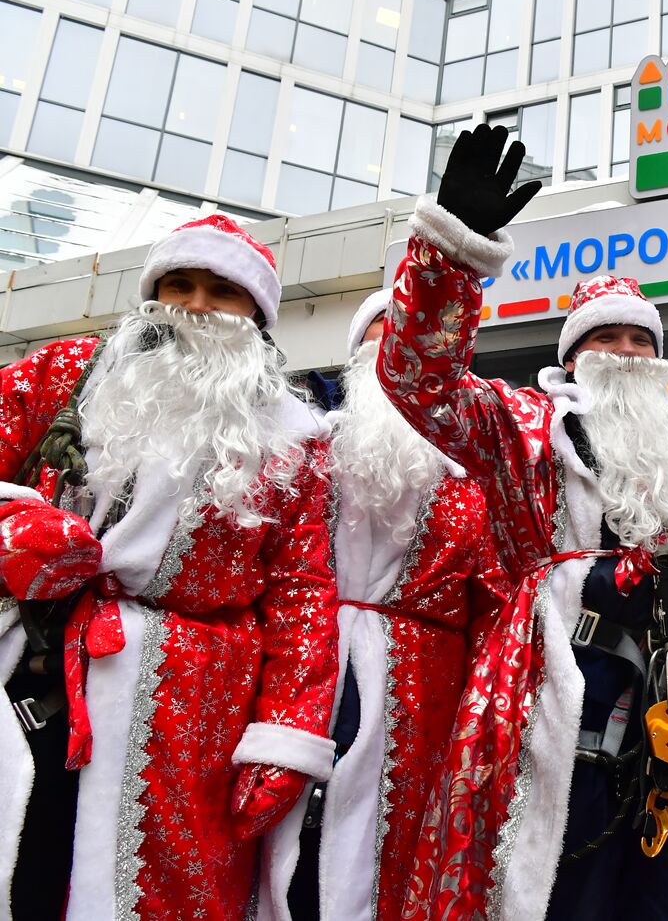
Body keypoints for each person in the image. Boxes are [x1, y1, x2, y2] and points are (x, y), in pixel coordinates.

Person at [375, 125, 668, 921]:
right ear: (572, 357)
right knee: (551, 883)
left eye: (642, 338)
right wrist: (453, 258)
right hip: (552, 688)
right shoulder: (522, 425)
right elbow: (418, 379)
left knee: (667, 884)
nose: (628, 351)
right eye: (606, 336)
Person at [0, 215, 339, 920]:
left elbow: (302, 593)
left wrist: (286, 733)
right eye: (178, 284)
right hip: (30, 676)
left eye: (222, 290)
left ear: (258, 314)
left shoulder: (293, 439)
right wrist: (12, 522)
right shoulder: (70, 372)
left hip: (191, 711)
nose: (195, 304)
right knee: (24, 863)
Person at [254, 289, 510, 920]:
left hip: (429, 688)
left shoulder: (474, 471)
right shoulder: (306, 450)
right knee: (294, 836)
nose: (399, 347)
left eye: (412, 335)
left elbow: (496, 601)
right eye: (382, 333)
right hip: (305, 665)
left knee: (403, 837)